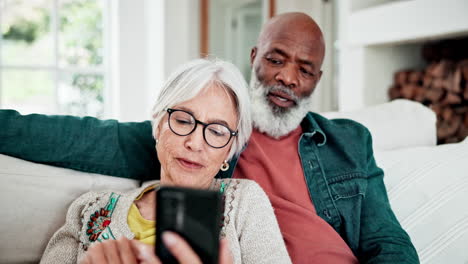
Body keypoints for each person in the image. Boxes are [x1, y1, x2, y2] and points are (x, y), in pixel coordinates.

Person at [0, 12, 419, 263]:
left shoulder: (350, 142)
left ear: (317, 79)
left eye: (305, 70)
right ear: (255, 57)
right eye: (277, 59)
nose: (288, 77)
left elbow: (387, 239)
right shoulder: (196, 134)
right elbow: (79, 138)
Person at [39, 58, 292, 264]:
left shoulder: (244, 202)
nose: (195, 142)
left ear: (229, 151)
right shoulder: (90, 208)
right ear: (158, 126)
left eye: (216, 131)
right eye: (183, 120)